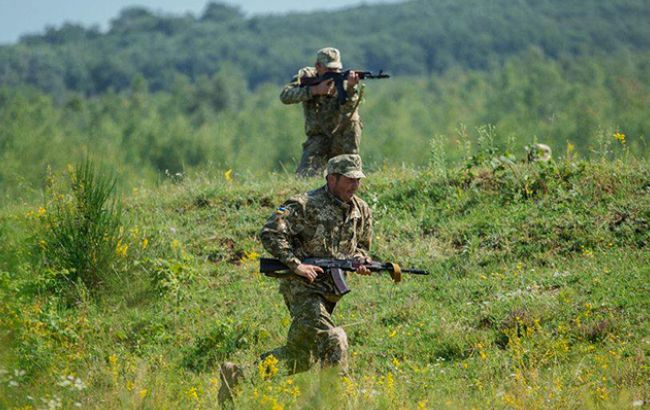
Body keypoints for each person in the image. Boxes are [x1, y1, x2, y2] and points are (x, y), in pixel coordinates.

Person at [259, 153, 373, 374]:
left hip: (330, 293)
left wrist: (360, 259)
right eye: (349, 179)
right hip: (303, 290)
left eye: (358, 179)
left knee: (301, 357)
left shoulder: (362, 211)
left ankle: (240, 376)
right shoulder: (303, 205)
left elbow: (362, 246)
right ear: (332, 179)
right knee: (334, 340)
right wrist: (296, 265)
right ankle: (338, 399)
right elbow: (270, 232)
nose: (355, 185)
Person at [280, 47, 363, 177]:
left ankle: (352, 170)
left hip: (339, 138)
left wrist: (351, 89)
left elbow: (349, 112)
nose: (334, 72)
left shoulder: (344, 83)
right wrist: (315, 90)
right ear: (318, 66)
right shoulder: (307, 78)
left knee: (354, 121)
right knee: (306, 178)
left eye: (337, 69)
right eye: (329, 69)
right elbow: (285, 96)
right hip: (318, 139)